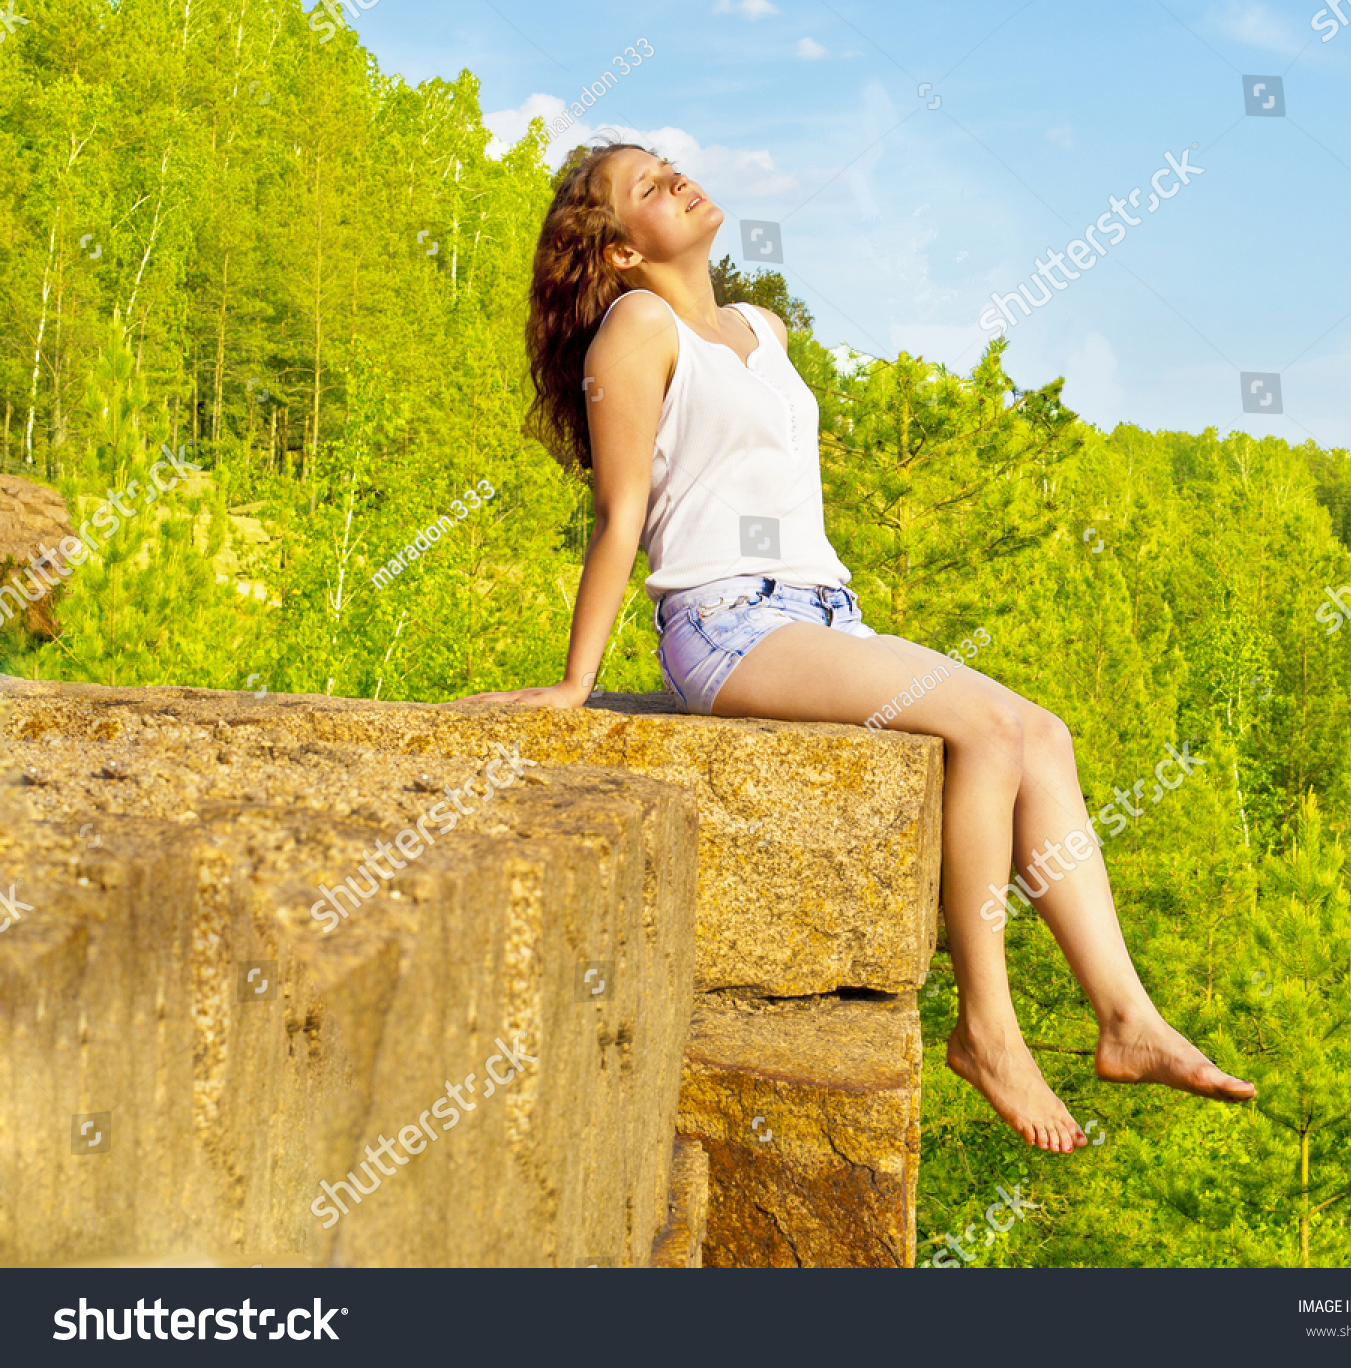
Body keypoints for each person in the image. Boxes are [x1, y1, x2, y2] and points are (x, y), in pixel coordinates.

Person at [454, 140, 1256, 1152]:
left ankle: (1126, 1017)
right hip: (725, 619)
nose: (680, 181)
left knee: (1041, 734)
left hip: (822, 611)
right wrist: (579, 682)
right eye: (648, 189)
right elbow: (620, 517)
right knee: (990, 735)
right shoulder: (635, 327)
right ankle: (987, 1030)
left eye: (671, 166)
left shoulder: (761, 327)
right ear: (615, 252)